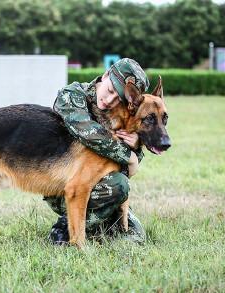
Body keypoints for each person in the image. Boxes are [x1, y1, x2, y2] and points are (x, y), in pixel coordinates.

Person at [44, 58, 150, 245]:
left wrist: (136, 145)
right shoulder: (72, 95)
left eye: (119, 99)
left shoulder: (120, 113)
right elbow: (89, 134)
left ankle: (98, 225)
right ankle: (65, 228)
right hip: (65, 186)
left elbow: (127, 165)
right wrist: (129, 156)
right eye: (110, 90)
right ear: (105, 75)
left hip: (100, 185)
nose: (109, 100)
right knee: (119, 185)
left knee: (135, 236)